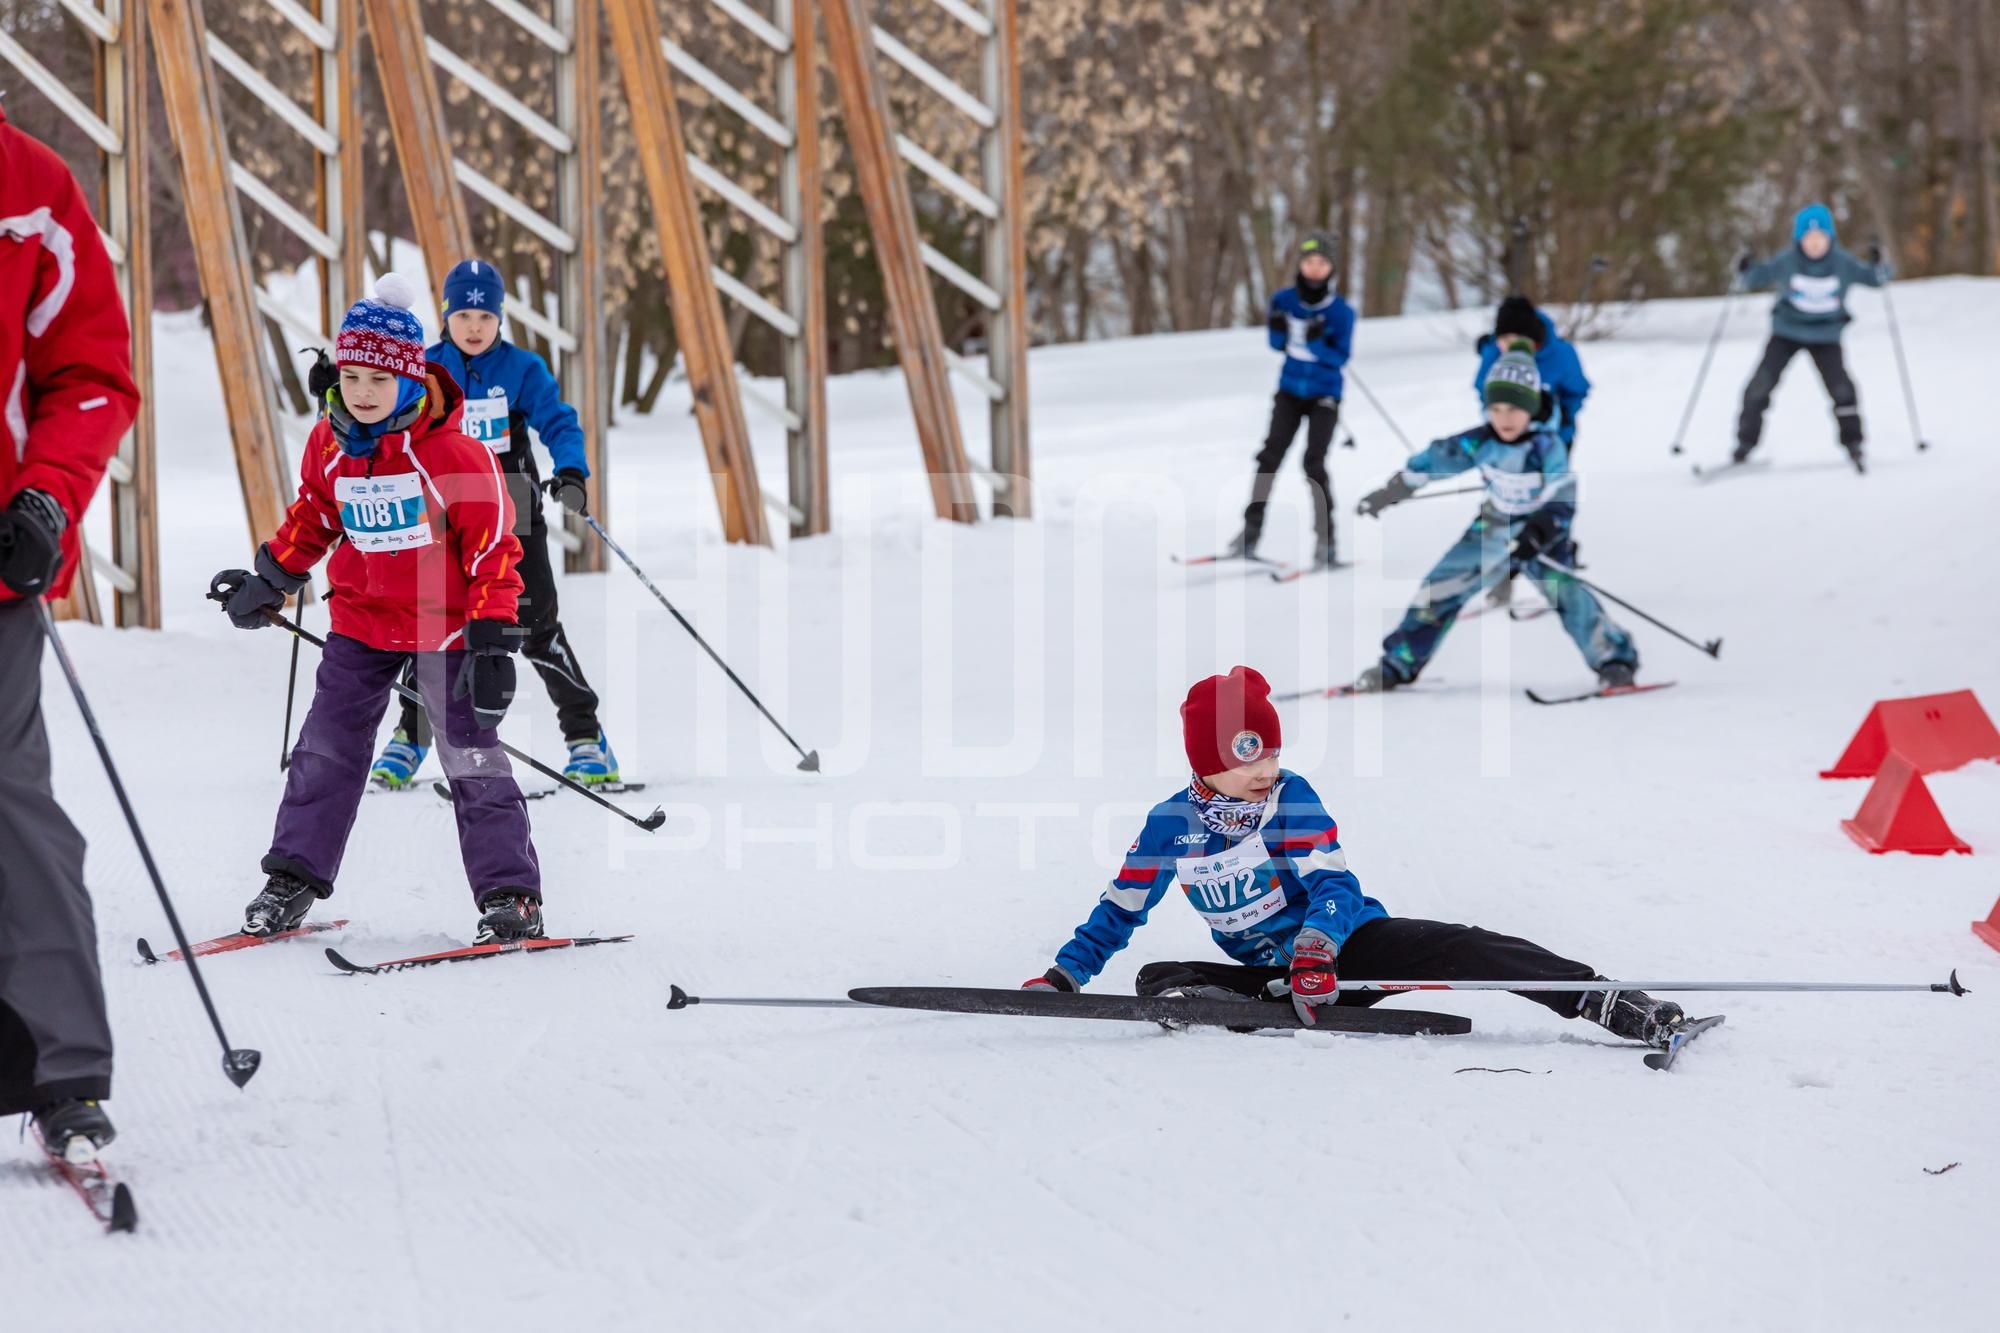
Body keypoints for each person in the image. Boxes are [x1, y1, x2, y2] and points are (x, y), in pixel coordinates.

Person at [1020, 667, 1692, 1047]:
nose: (1267, 770)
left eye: (1273, 753)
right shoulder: (1170, 826)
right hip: (1277, 971)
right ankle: (1253, 997)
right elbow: (1120, 908)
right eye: (1247, 758)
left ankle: (1610, 1003)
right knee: (1158, 976)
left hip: (1347, 948)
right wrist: (1064, 976)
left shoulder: (1290, 798)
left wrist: (1317, 947)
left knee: (1469, 944)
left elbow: (1334, 885)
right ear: (1206, 762)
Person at [211, 275, 547, 944]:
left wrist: (491, 642)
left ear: (410, 380)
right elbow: (312, 518)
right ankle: (293, 876)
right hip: (361, 624)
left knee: (471, 757)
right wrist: (270, 578)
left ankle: (512, 895)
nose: (363, 392)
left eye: (378, 380)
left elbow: (492, 551)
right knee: (326, 748)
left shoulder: (454, 455)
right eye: (352, 377)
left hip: (446, 627)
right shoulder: (329, 446)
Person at [0, 103, 140, 1160]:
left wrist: (46, 499)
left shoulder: (31, 190)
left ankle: (61, 1068)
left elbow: (91, 375)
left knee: (10, 807)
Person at [369, 258, 618, 789]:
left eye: (485, 315)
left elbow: (557, 420)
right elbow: (382, 417)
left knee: (535, 627)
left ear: (500, 317)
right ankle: (409, 740)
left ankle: (586, 739)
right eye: (464, 315)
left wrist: (570, 469)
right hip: (443, 522)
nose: (475, 326)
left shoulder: (522, 369)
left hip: (516, 517)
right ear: (446, 316)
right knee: (433, 629)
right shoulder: (426, 368)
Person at [1348, 342, 1640, 693]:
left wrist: (1537, 534)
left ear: (1531, 408)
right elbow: (1437, 460)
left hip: (1541, 533)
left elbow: (1563, 498)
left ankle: (1614, 660)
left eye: (1515, 409)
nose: (1504, 418)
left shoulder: (1547, 446)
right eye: (1496, 408)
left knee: (1568, 594)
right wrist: (1391, 492)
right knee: (1439, 587)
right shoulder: (1482, 441)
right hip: (1494, 525)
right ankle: (1398, 662)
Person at [1227, 232, 1354, 570]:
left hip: (1324, 394)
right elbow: (1275, 343)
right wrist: (1279, 330)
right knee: (1269, 457)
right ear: (1301, 264)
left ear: (1331, 269)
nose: (1314, 269)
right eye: (1309, 262)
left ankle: (1326, 542)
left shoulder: (1341, 311)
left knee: (1314, 463)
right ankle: (1249, 533)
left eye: (1322, 263)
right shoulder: (1284, 299)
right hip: (1289, 391)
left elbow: (1340, 357)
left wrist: (1316, 343)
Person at [1732, 203, 1890, 471]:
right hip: (1786, 333)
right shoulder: (1787, 261)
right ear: (1799, 239)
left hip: (1826, 335)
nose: (1815, 244)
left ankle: (1854, 443)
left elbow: (1875, 279)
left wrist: (1880, 263)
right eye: (1809, 238)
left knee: (1842, 388)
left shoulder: (1842, 262)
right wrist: (1744, 267)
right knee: (1760, 385)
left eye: (1820, 238)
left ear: (1830, 238)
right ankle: (1745, 444)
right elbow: (1754, 278)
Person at [1472, 295, 1589, 450]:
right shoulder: (1494, 352)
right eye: (1504, 339)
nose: (1510, 345)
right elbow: (1482, 386)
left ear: (1532, 337)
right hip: (1506, 437)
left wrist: (1563, 415)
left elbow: (1576, 390)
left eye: (1517, 339)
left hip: (1553, 437)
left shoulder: (1561, 354)